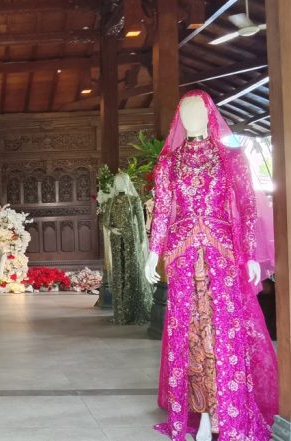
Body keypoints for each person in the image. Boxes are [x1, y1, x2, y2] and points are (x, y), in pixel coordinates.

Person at [144, 90, 278, 441]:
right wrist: (153, 253)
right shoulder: (169, 162)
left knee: (224, 332)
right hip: (182, 256)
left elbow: (247, 207)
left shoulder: (229, 157)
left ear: (209, 115)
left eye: (198, 111)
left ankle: (227, 412)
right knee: (190, 334)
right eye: (185, 112)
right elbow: (162, 211)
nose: (192, 118)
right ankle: (202, 413)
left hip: (222, 255)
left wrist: (251, 254)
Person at [103, 173, 152, 324]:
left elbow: (141, 223)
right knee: (119, 271)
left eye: (121, 182)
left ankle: (134, 311)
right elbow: (105, 221)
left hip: (132, 239)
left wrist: (142, 241)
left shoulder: (134, 200)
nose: (119, 185)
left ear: (127, 183)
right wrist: (112, 229)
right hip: (116, 240)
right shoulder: (111, 201)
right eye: (116, 182)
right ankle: (121, 313)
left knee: (132, 270)